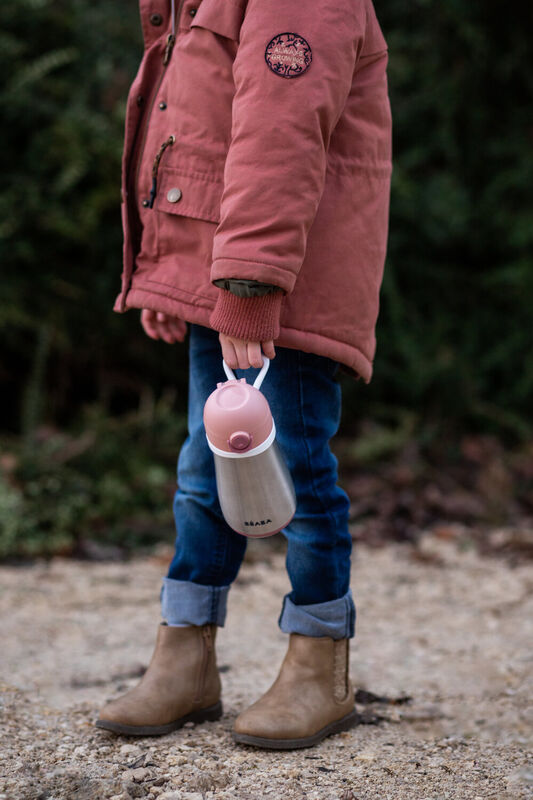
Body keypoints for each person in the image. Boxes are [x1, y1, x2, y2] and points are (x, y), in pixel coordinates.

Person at [96, 0, 392, 749]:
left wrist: (251, 289)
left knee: (297, 473)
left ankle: (319, 664)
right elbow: (192, 128)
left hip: (286, 279)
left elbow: (278, 139)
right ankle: (186, 655)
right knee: (204, 472)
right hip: (225, 273)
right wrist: (171, 277)